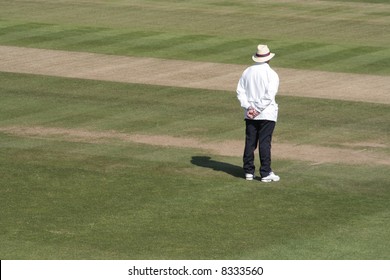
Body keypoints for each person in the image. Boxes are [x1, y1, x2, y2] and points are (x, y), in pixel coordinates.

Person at [236, 44, 280, 182]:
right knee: (264, 142)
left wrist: (249, 108)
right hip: (266, 114)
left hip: (250, 114)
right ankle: (265, 173)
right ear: (268, 59)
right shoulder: (271, 74)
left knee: (250, 141)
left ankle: (248, 171)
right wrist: (257, 109)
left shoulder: (247, 71)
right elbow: (269, 95)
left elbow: (240, 91)